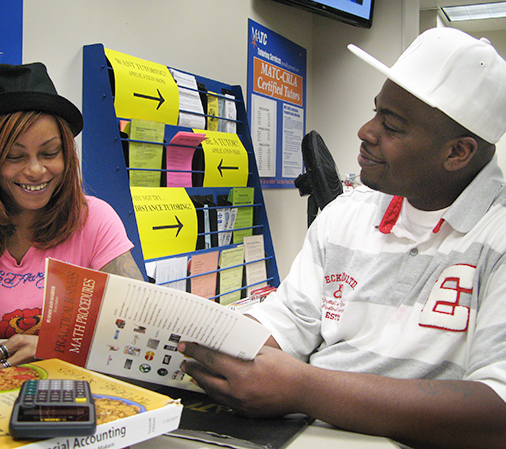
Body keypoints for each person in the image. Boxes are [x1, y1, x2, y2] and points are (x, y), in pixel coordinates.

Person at [179, 27, 506, 449]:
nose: (365, 131)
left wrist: (304, 389)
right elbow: (291, 321)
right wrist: (211, 336)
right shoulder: (347, 214)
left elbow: (497, 413)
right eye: (376, 113)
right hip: (303, 434)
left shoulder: (496, 237)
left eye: (391, 126)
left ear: (457, 153)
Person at [0, 62, 143, 372]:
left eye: (50, 153)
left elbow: (140, 331)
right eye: (14, 156)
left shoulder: (94, 219)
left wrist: (56, 349)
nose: (35, 170)